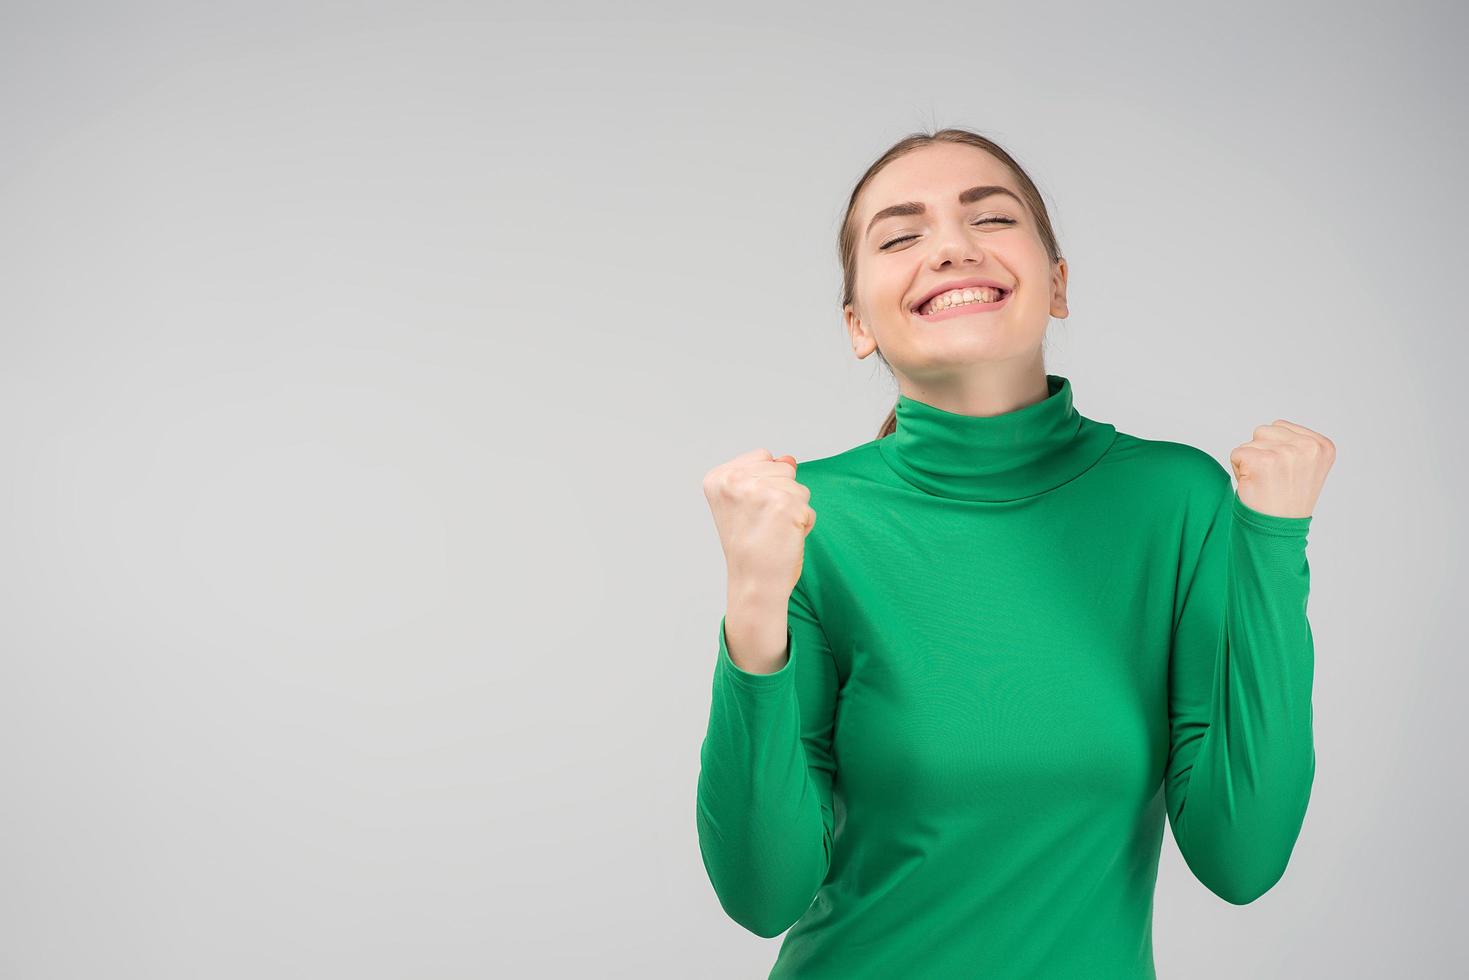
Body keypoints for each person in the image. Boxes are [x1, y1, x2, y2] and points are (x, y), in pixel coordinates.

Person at [694, 128, 1336, 978]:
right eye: (899, 236)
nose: (951, 248)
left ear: (1057, 283)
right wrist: (752, 610)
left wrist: (1272, 543)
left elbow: (1241, 857)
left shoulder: (1175, 502)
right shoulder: (808, 520)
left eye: (989, 219)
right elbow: (761, 893)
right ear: (857, 324)